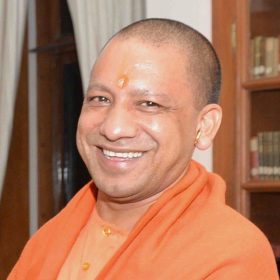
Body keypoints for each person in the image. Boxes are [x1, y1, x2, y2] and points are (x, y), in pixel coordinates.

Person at [8, 18, 278, 279]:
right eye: (100, 99)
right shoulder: (52, 236)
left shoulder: (229, 255)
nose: (113, 129)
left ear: (205, 126)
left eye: (149, 104)